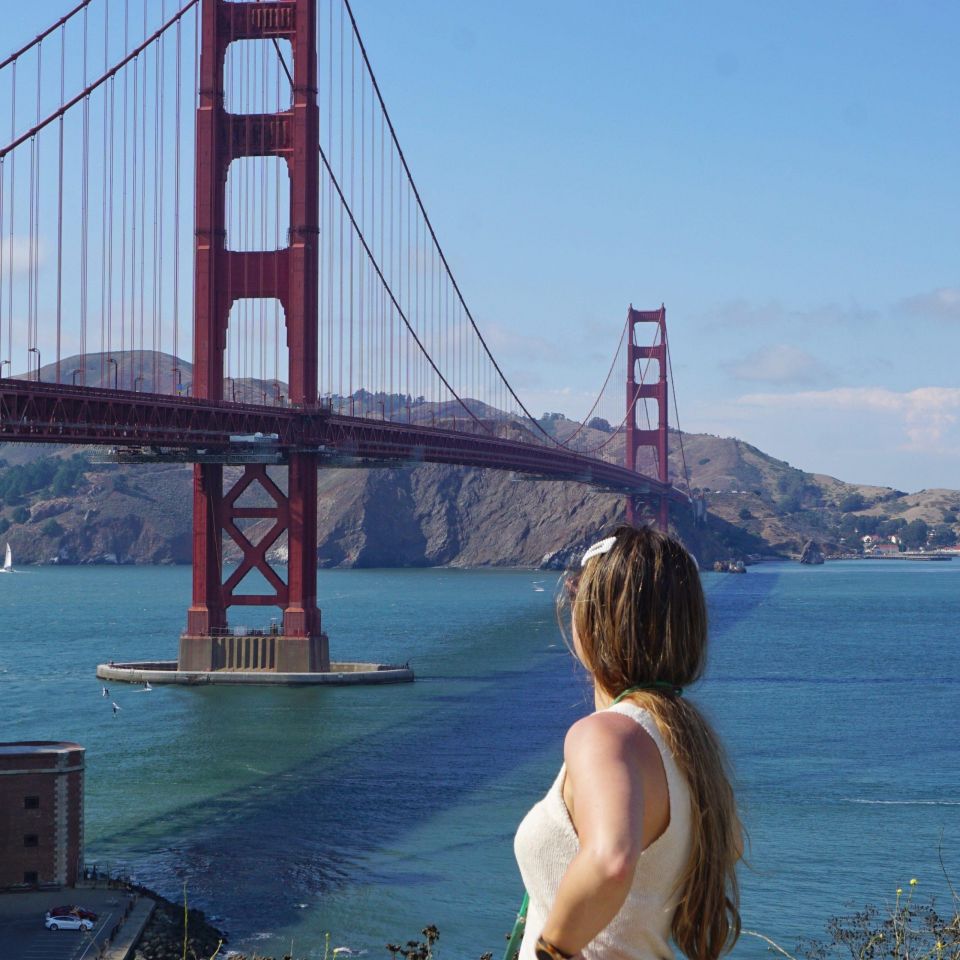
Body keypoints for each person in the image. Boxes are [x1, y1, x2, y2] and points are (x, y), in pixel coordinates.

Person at [514, 525, 743, 960]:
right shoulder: (689, 742)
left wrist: (551, 952)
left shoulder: (606, 736)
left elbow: (611, 861)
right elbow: (728, 848)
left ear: (593, 620)